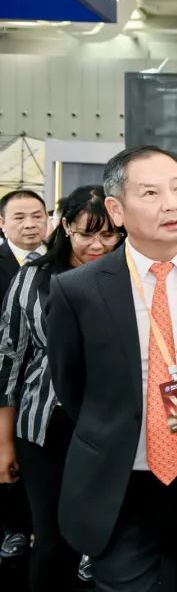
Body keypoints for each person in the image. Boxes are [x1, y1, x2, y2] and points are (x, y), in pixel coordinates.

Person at [46, 146, 177, 591]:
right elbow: (71, 386)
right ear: (116, 209)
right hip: (121, 482)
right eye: (151, 193)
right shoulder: (78, 290)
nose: (172, 204)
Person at [0, 186, 123, 590]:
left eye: (109, 234)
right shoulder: (33, 277)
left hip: (113, 425)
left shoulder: (129, 275)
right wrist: (4, 443)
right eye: (87, 233)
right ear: (66, 226)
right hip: (45, 425)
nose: (98, 245)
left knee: (111, 538)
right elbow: (9, 359)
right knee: (53, 541)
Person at [0, 189, 46, 560]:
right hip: (5, 375)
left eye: (37, 216)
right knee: (7, 455)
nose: (30, 224)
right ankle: (14, 529)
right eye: (19, 217)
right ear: (2, 224)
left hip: (45, 383)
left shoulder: (62, 262)